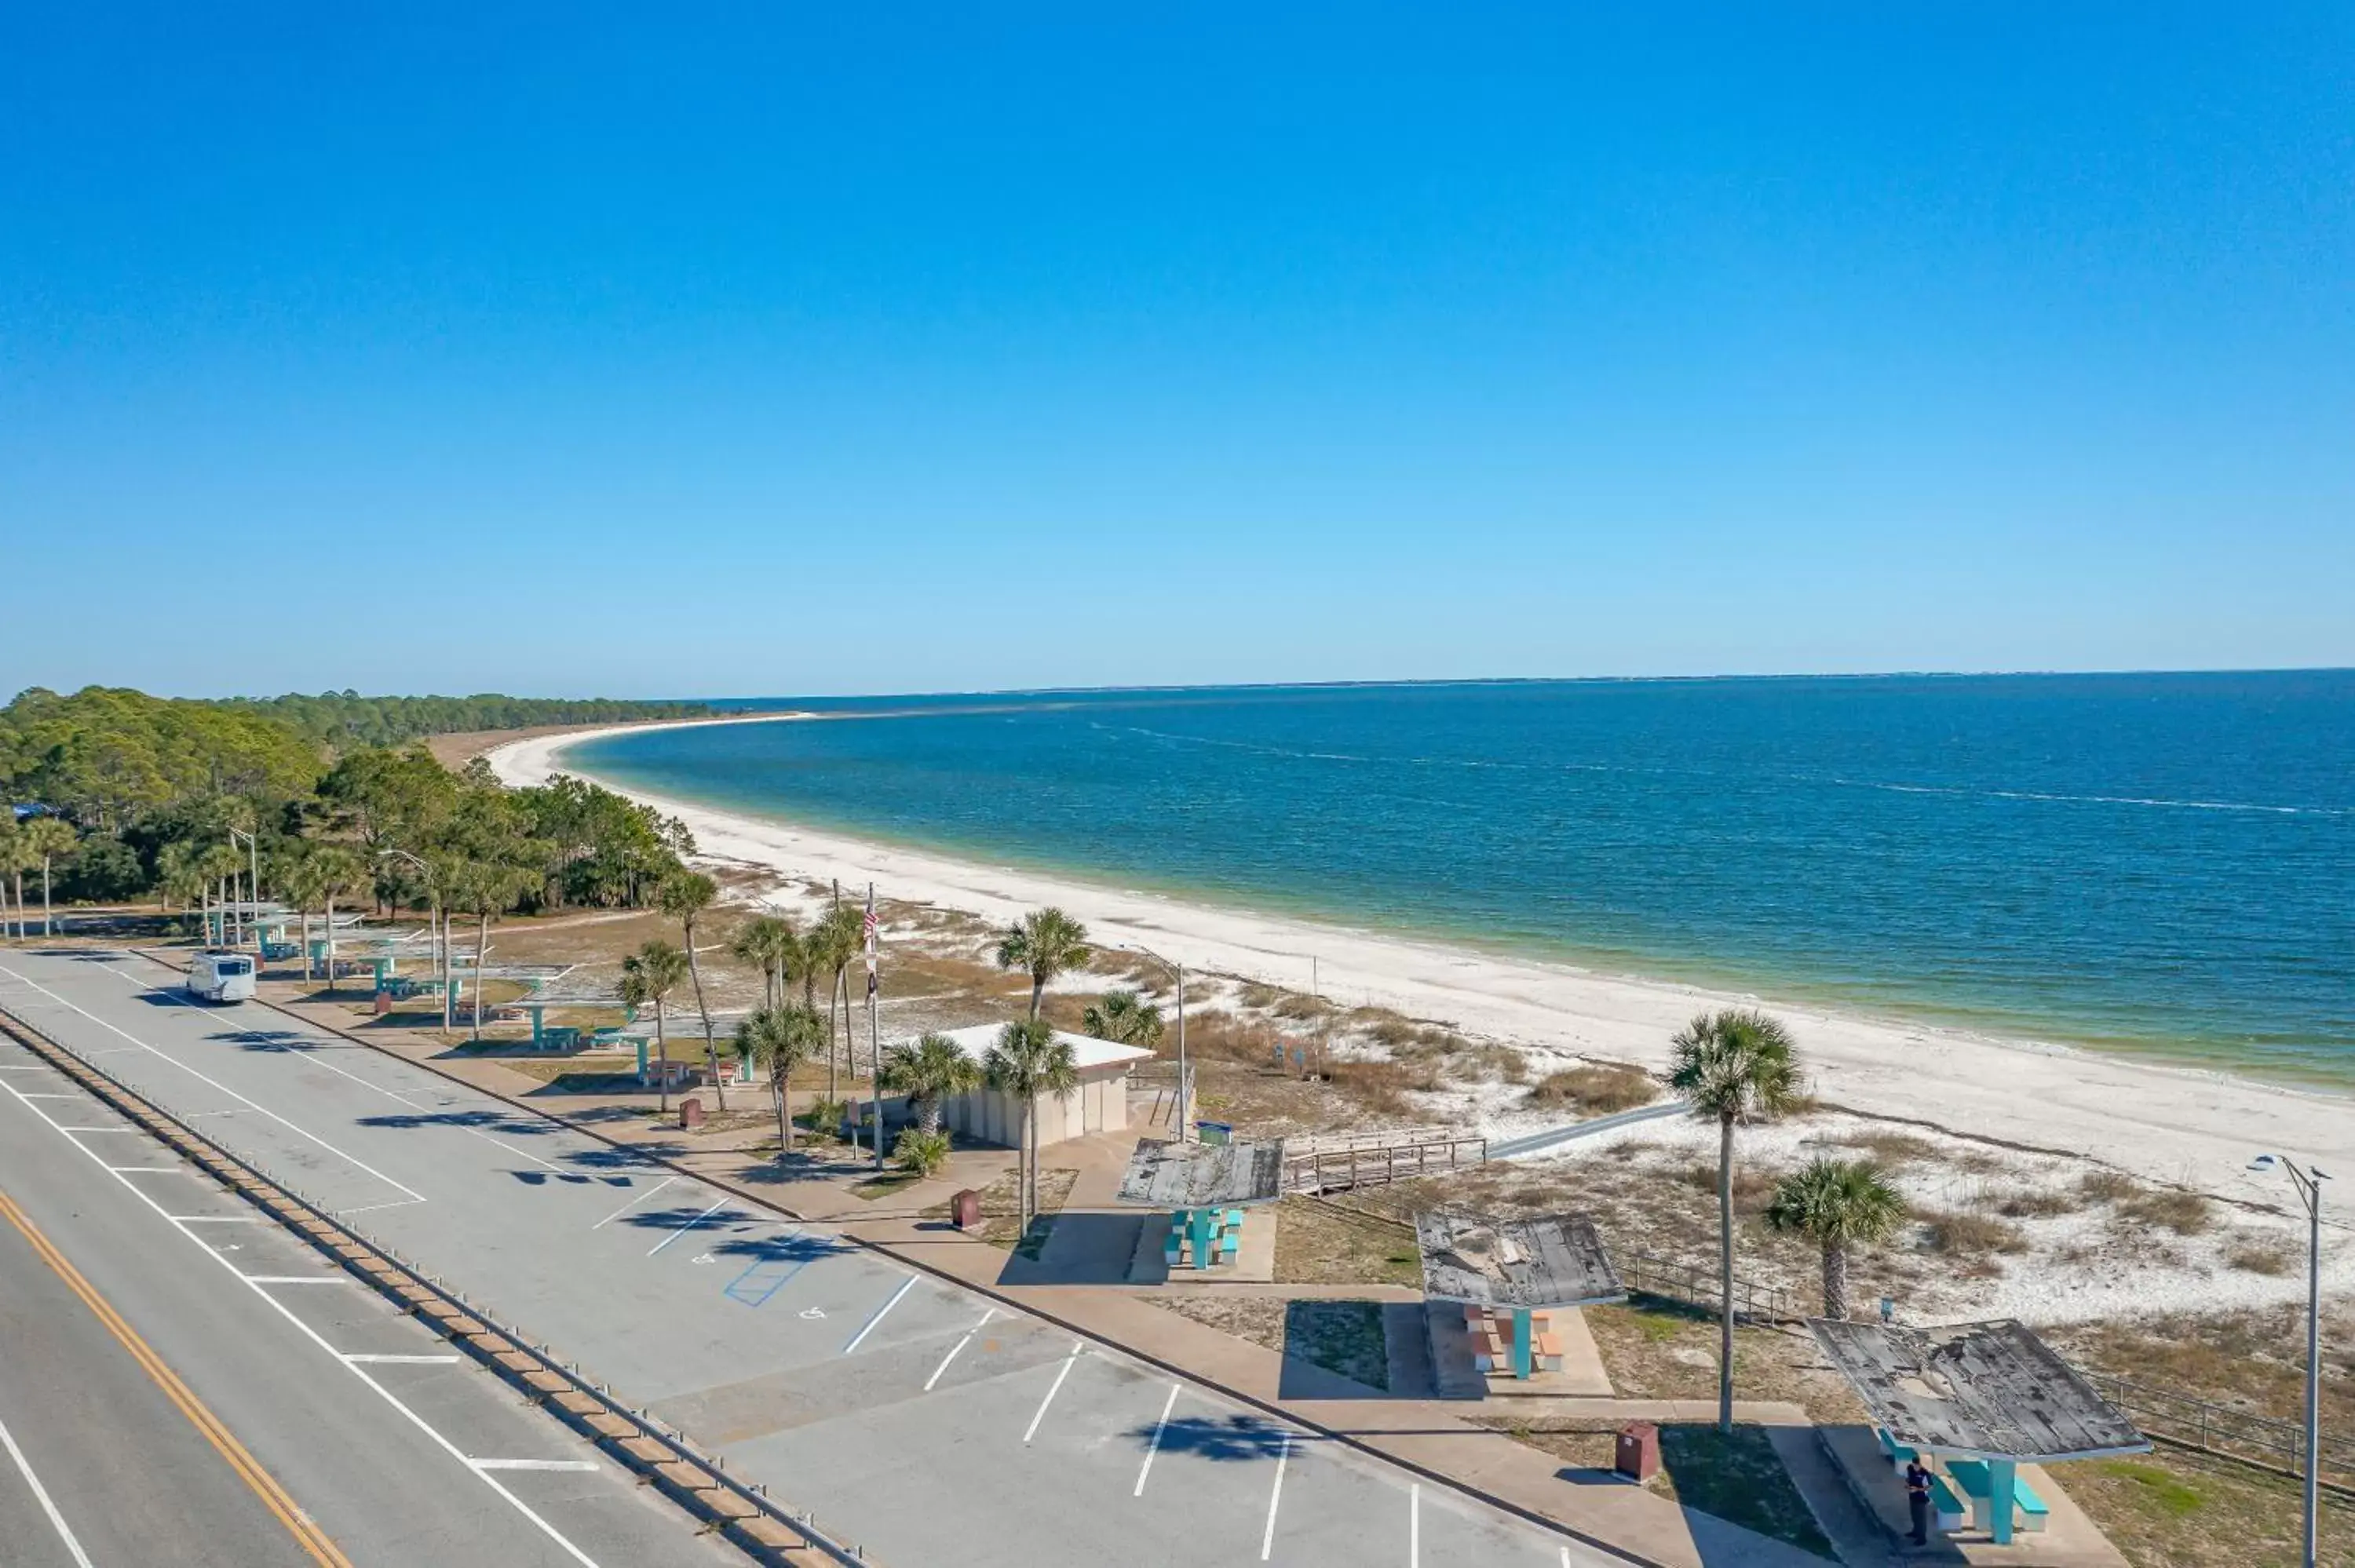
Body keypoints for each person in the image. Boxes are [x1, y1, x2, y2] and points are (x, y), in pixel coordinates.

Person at [1904, 1457, 1933, 1546]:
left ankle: (1922, 1538)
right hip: (1913, 1497)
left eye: (1917, 1465)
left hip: (1921, 1498)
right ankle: (1915, 1532)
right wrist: (1908, 1486)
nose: (1915, 1467)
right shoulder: (1910, 1468)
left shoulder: (1924, 1474)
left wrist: (1917, 1489)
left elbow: (1930, 1487)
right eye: (1914, 1465)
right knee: (1914, 1515)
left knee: (1921, 1519)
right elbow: (1908, 1478)